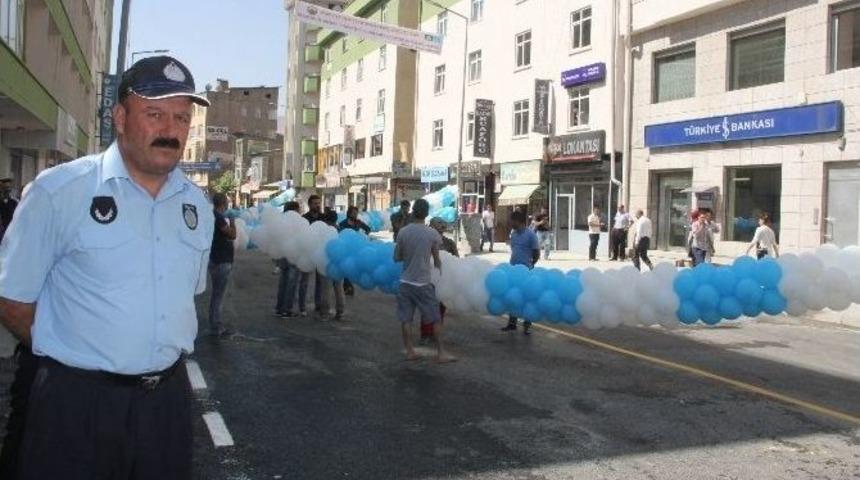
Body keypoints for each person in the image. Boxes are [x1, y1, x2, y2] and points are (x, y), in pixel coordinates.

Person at [0, 55, 212, 479]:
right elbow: (11, 298)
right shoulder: (60, 191)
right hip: (75, 406)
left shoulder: (196, 205)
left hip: (165, 407)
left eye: (181, 118)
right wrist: (69, 351)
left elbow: (182, 295)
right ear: (119, 117)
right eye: (154, 114)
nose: (170, 130)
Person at [394, 199, 455, 362]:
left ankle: (410, 352)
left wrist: (409, 256)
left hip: (405, 282)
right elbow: (437, 261)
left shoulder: (403, 232)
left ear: (413, 212)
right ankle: (441, 353)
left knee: (406, 319)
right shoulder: (432, 234)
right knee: (435, 318)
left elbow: (396, 257)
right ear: (427, 214)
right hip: (423, 283)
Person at [421, 218, 459, 343]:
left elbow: (457, 260)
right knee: (427, 308)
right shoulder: (425, 241)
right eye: (438, 224)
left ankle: (435, 334)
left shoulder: (449, 243)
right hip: (429, 279)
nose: (441, 226)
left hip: (444, 280)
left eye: (442, 225)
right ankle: (426, 334)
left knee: (441, 308)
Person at [502, 210, 540, 335]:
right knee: (513, 296)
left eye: (511, 220)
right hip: (513, 270)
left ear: (518, 221)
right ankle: (512, 323)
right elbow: (514, 249)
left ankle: (527, 325)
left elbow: (536, 252)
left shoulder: (530, 234)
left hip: (525, 271)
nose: (510, 222)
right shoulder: (513, 233)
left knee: (526, 297)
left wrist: (531, 264)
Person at [209, 192, 237, 336]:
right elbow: (232, 235)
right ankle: (217, 326)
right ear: (224, 203)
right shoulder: (219, 218)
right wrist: (232, 221)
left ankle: (215, 324)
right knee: (218, 296)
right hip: (221, 260)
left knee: (216, 294)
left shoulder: (212, 216)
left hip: (216, 258)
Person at [298, 195, 325, 316]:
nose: (318, 205)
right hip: (307, 254)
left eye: (319, 203)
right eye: (315, 203)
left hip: (320, 253)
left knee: (320, 281)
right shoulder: (304, 219)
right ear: (310, 205)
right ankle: (302, 306)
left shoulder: (323, 218)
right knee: (304, 281)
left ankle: (318, 305)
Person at [275, 201, 302, 317]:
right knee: (291, 283)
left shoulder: (281, 221)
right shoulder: (297, 221)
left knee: (283, 282)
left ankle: (279, 308)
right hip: (294, 254)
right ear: (295, 210)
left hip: (282, 253)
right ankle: (287, 309)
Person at [318, 210, 346, 321]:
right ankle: (340, 311)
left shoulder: (325, 231)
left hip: (326, 262)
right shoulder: (339, 230)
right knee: (339, 288)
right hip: (339, 263)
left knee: (326, 288)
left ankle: (325, 313)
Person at [0, 177, 18, 242]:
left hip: (11, 232)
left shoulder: (14, 202)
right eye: (5, 188)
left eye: (8, 188)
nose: (7, 190)